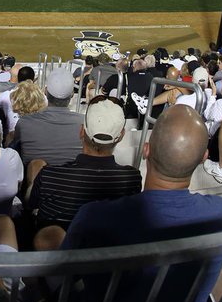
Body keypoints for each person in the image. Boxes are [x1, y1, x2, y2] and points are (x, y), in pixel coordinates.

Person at [53, 105, 222, 302]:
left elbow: (61, 273)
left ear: (146, 150)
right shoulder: (221, 214)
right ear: (204, 159)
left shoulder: (95, 217)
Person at [27, 96, 142, 229]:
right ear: (121, 136)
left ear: (82, 132)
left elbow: (32, 207)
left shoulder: (49, 176)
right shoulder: (132, 179)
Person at [11, 69, 83, 168]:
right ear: (72, 94)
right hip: (73, 180)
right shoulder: (84, 123)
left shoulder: (24, 123)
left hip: (37, 179)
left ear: (45, 92)